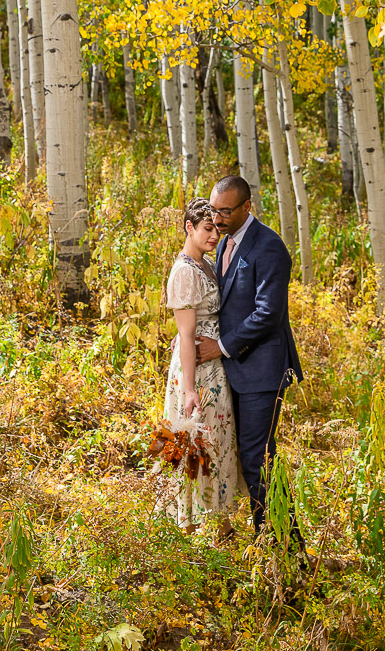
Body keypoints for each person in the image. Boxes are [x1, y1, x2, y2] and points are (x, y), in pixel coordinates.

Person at [197, 174, 303, 535]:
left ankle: (282, 543)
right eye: (213, 210)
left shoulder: (268, 246)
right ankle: (270, 539)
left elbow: (268, 313)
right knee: (249, 457)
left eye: (226, 211)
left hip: (262, 369)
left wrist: (221, 346)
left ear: (247, 207)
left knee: (258, 459)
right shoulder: (224, 244)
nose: (218, 218)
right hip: (235, 370)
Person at [162, 198, 243, 533]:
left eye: (216, 229)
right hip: (195, 370)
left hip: (214, 366)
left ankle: (220, 524)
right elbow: (185, 335)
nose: (213, 235)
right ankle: (188, 525)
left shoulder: (206, 264)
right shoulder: (183, 272)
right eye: (207, 229)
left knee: (217, 443)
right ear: (189, 228)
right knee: (194, 444)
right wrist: (190, 389)